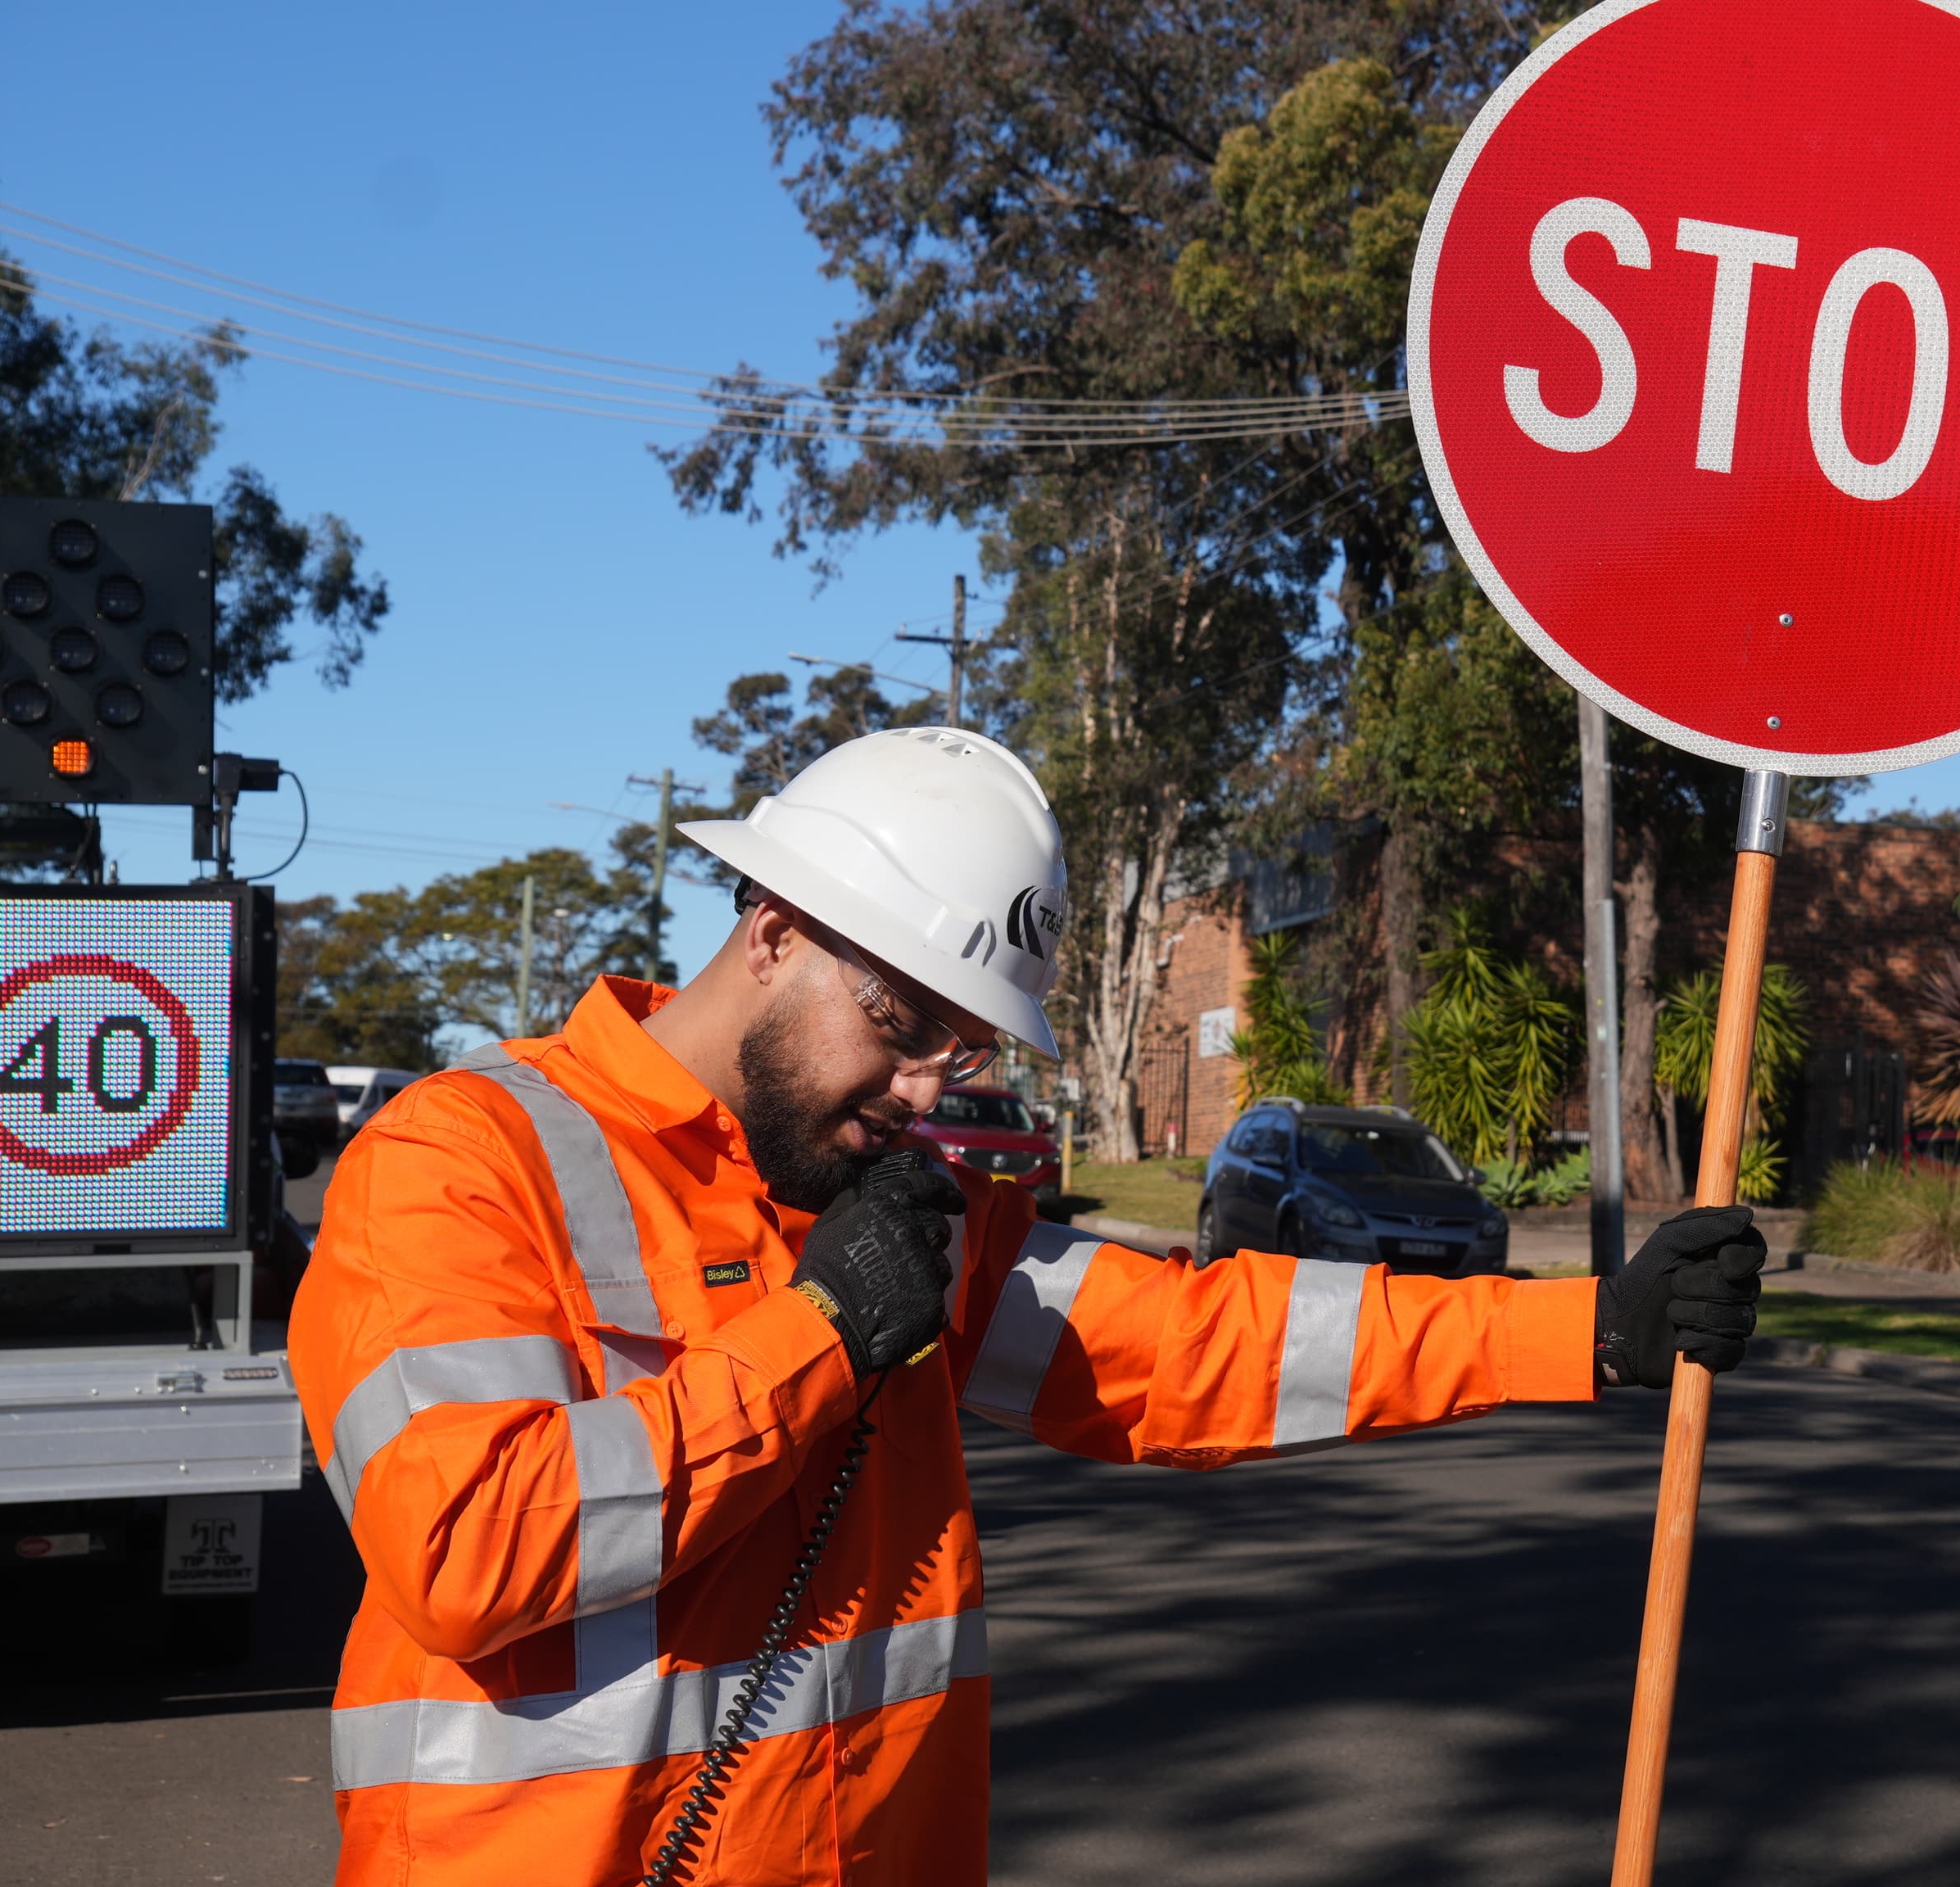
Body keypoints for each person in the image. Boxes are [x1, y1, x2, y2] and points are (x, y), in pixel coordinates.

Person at [289, 728, 1763, 1887]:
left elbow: (1198, 1342)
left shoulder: (896, 1216)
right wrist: (818, 1336)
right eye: (903, 1024)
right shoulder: (463, 1158)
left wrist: (1583, 1330)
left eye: (964, 1046)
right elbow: (469, 1547)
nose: (931, 1088)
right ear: (776, 930)